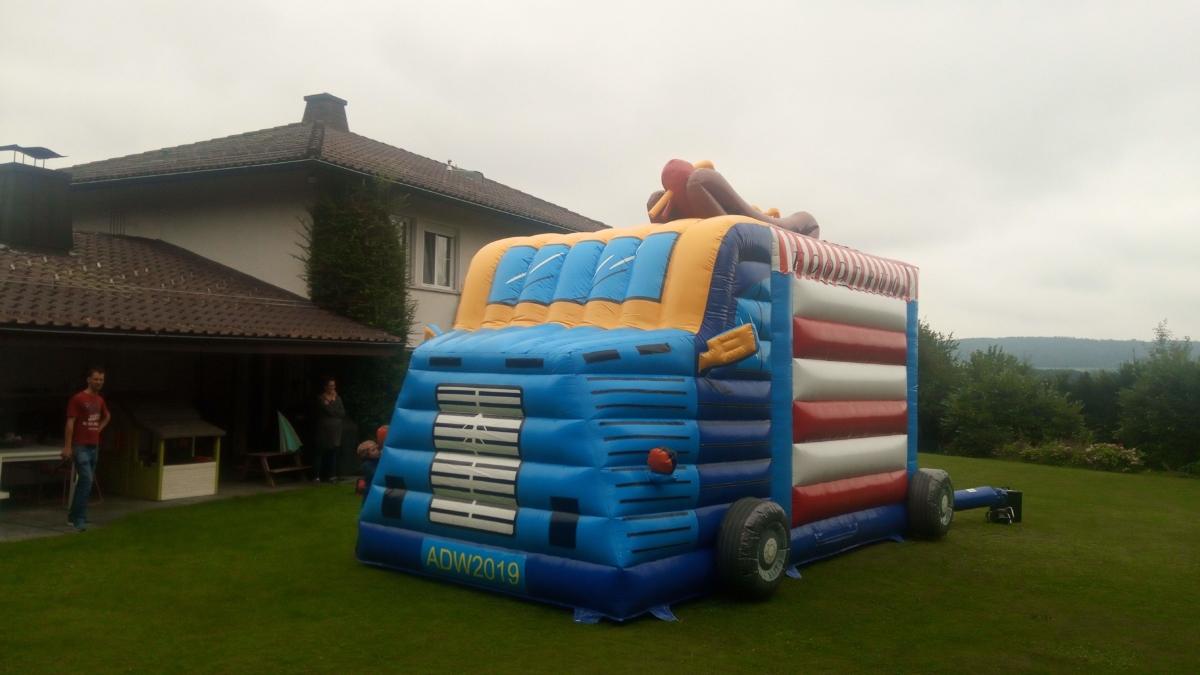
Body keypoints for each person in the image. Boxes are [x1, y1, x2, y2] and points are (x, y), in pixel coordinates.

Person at [63, 367, 111, 532]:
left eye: (101, 380)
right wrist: (67, 447)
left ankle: (74, 515)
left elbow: (107, 416)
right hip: (80, 446)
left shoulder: (99, 400)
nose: (98, 382)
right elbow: (70, 423)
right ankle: (79, 518)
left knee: (85, 482)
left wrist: (98, 429)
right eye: (96, 379)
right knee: (86, 480)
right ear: (88, 379)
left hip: (93, 446)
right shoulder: (78, 398)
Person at [312, 377, 346, 485]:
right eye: (330, 386)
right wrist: (332, 401)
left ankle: (332, 476)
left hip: (336, 430)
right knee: (320, 453)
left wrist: (332, 402)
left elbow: (342, 412)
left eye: (334, 385)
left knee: (333, 453)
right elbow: (329, 410)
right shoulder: (321, 398)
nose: (332, 388)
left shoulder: (338, 397)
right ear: (325, 387)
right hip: (324, 429)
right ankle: (316, 477)